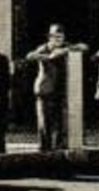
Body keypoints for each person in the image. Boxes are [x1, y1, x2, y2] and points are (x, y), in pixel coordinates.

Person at [28, 24, 70, 152]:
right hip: (46, 89)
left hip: (61, 89)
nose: (57, 39)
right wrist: (49, 56)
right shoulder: (44, 48)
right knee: (45, 121)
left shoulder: (66, 47)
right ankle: (45, 148)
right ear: (49, 37)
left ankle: (60, 147)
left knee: (62, 121)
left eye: (60, 37)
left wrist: (64, 50)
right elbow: (30, 56)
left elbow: (84, 47)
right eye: (54, 37)